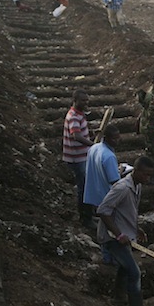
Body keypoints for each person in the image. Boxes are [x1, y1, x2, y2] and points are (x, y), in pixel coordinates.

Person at [97, 156, 154, 306]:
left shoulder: (136, 186)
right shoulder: (122, 188)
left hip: (123, 234)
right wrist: (119, 235)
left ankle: (118, 297)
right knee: (134, 273)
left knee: (125, 267)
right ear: (136, 171)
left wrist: (136, 229)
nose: (148, 179)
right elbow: (102, 210)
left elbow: (128, 210)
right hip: (111, 238)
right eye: (145, 175)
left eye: (150, 176)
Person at [63, 89, 93, 227]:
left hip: (81, 156)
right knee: (84, 188)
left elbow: (81, 132)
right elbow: (76, 136)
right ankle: (85, 218)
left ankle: (89, 215)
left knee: (86, 186)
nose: (86, 103)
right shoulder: (74, 116)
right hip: (77, 158)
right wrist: (93, 145)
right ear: (75, 100)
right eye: (83, 100)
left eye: (87, 100)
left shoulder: (79, 115)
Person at [84, 124, 121, 213]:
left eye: (118, 138)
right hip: (105, 195)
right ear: (106, 138)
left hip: (94, 194)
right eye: (114, 138)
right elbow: (114, 180)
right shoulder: (109, 156)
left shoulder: (94, 148)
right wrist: (120, 171)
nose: (117, 141)